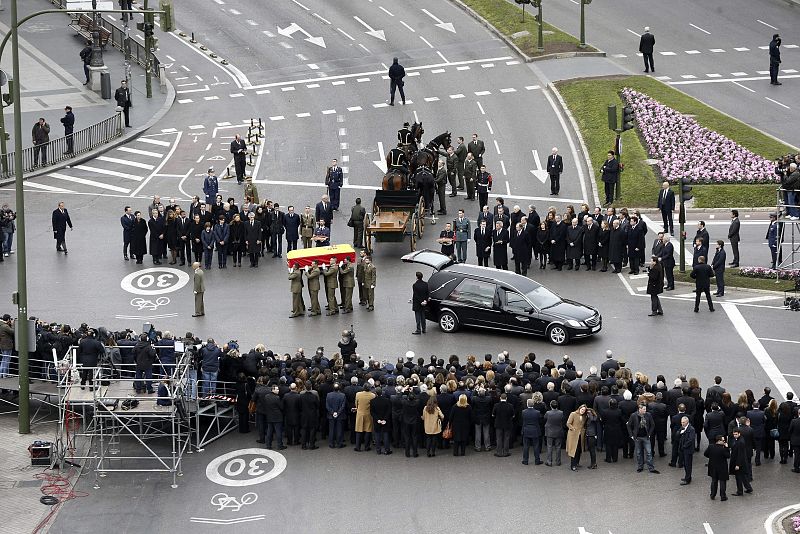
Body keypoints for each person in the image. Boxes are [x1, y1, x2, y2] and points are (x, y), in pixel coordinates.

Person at [627, 403, 660, 474]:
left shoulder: (648, 415)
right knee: (639, 453)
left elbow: (652, 425)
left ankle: (651, 468)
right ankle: (640, 467)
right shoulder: (633, 415)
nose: (645, 410)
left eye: (645, 409)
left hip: (646, 437)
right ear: (640, 409)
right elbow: (629, 425)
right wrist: (631, 435)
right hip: (637, 437)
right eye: (644, 409)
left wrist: (650, 434)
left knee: (649, 452)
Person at [705, 434, 731, 500]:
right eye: (723, 440)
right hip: (722, 467)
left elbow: (705, 454)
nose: (724, 442)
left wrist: (711, 457)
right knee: (722, 482)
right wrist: (727, 447)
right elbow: (728, 456)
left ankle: (712, 495)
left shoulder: (710, 447)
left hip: (712, 466)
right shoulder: (723, 449)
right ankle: (723, 496)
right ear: (719, 441)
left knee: (714, 481)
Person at [729, 428, 753, 495]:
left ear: (739, 433)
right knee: (743, 477)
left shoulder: (740, 442)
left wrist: (737, 464)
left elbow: (740, 454)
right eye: (734, 434)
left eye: (736, 434)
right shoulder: (739, 440)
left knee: (738, 477)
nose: (735, 435)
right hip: (741, 462)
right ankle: (749, 488)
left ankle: (740, 491)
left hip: (739, 462)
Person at [521, 398, 543, 465]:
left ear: (527, 404)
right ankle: (537, 460)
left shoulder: (523, 412)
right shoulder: (537, 412)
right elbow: (540, 421)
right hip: (535, 430)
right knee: (536, 446)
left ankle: (525, 460)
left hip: (526, 430)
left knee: (526, 446)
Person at [354, 385, 376, 451]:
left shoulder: (358, 394)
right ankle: (367, 447)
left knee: (359, 430)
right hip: (368, 414)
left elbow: (356, 404)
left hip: (360, 414)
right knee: (368, 431)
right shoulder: (373, 395)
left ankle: (358, 446)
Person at [566, 405, 588, 471]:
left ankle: (577, 463)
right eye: (582, 409)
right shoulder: (573, 414)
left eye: (584, 410)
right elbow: (568, 423)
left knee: (579, 450)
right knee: (574, 451)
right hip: (573, 435)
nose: (583, 411)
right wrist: (573, 428)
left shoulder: (584, 416)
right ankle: (573, 465)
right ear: (579, 408)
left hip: (580, 435)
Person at [326, 382, 346, 448]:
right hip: (340, 415)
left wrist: (332, 412)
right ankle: (339, 443)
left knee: (331, 430)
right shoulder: (342, 395)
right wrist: (337, 412)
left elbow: (327, 406)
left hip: (331, 415)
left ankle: (331, 443)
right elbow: (343, 406)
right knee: (339, 429)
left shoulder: (328, 395)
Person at [544, 400, 564, 467]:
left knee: (549, 447)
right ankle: (558, 461)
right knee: (558, 447)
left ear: (550, 406)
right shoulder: (561, 413)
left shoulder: (548, 413)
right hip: (558, 431)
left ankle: (549, 461)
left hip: (549, 431)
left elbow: (545, 418)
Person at [678, 416, 697, 485]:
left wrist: (684, 446)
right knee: (686, 464)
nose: (682, 424)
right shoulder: (683, 427)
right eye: (681, 422)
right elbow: (678, 433)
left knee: (688, 464)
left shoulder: (691, 429)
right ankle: (687, 477)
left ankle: (687, 479)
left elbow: (691, 440)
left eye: (683, 422)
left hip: (688, 450)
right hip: (684, 449)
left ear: (687, 422)